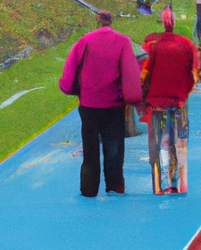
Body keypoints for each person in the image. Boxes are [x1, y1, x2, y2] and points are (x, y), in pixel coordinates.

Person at [59, 11, 143, 197]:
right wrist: (134, 97)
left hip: (89, 105)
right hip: (113, 105)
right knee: (113, 148)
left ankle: (89, 188)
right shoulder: (122, 42)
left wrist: (67, 87)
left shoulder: (84, 41)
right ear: (111, 22)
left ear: (97, 22)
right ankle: (114, 185)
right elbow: (130, 72)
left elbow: (71, 70)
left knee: (90, 148)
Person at [142, 8, 199, 195]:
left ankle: (157, 185)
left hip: (156, 101)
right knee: (178, 142)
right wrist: (185, 91)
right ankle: (175, 183)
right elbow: (194, 74)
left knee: (156, 143)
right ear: (174, 22)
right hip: (178, 101)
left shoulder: (153, 45)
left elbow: (144, 72)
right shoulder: (186, 44)